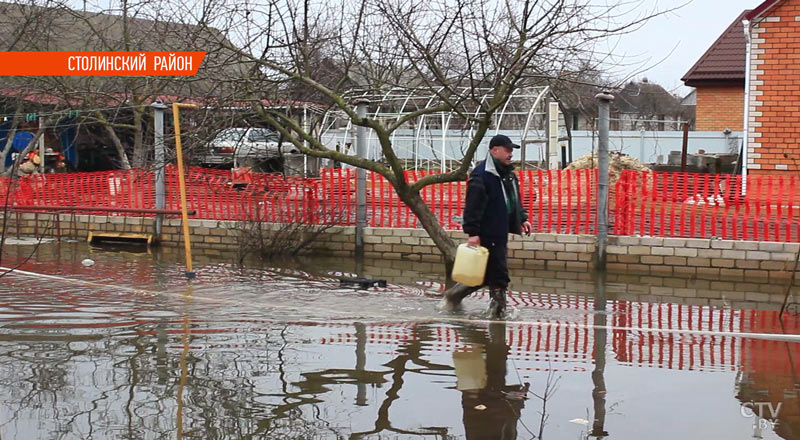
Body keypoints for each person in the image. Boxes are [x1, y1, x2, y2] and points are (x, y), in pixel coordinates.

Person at [441, 134, 531, 317]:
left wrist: (522, 218)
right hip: (487, 231)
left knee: (483, 272)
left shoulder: (508, 175)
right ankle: (498, 313)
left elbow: (514, 199)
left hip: (500, 229)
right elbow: (473, 205)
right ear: (494, 150)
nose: (510, 154)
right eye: (507, 150)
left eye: (511, 150)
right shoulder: (482, 175)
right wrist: (473, 232)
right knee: (498, 272)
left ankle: (454, 297)